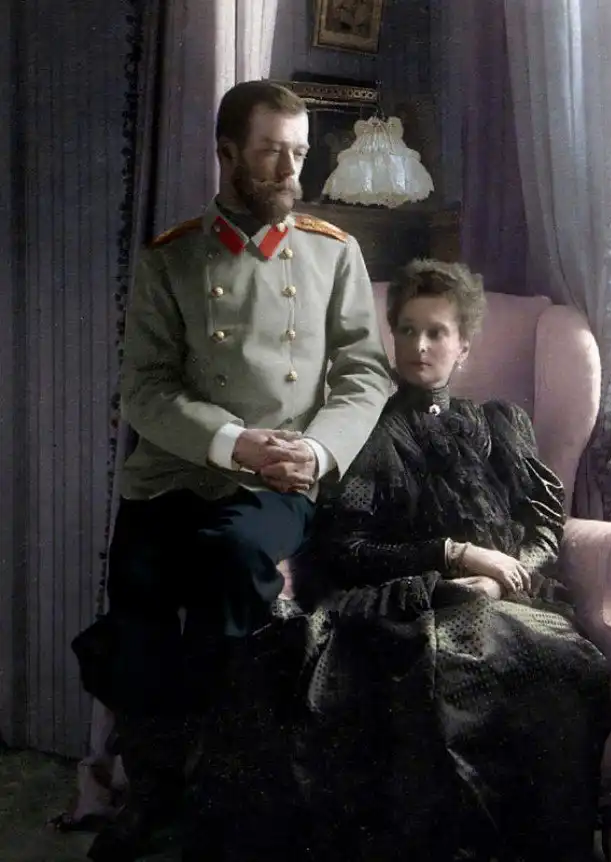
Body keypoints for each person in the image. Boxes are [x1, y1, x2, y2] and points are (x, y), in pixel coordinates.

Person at [187, 258, 611, 862]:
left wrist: (505, 576)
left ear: (464, 346)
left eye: (437, 332)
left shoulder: (502, 424)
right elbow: (348, 550)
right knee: (445, 668)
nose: (419, 346)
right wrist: (455, 554)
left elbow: (544, 524)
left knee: (567, 661)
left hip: (509, 599)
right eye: (408, 330)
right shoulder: (369, 432)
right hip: (407, 602)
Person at [82, 80, 392, 862]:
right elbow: (145, 390)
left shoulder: (333, 252)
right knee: (140, 586)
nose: (289, 169)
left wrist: (316, 451)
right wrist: (229, 441)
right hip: (176, 471)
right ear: (226, 153)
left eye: (298, 152)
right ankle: (153, 790)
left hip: (280, 478)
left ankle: (227, 797)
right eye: (270, 152)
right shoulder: (170, 257)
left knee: (231, 559)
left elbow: (364, 374)